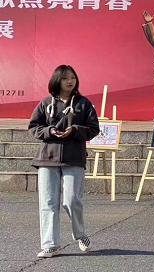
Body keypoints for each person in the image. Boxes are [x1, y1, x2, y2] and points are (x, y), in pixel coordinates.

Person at [28, 65, 100, 258]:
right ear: (57, 80)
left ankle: (80, 234)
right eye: (65, 78)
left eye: (73, 78)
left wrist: (74, 130)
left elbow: (94, 129)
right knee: (48, 202)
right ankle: (50, 245)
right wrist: (50, 131)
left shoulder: (83, 103)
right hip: (47, 158)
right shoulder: (45, 103)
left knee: (72, 200)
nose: (70, 81)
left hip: (74, 158)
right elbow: (34, 127)